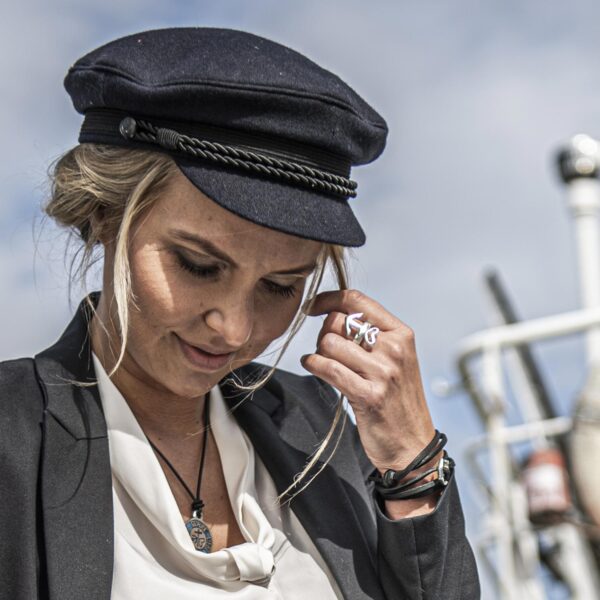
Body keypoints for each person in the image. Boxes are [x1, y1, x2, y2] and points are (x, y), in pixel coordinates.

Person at [0, 27, 480, 600]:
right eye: (198, 265)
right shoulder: (12, 434)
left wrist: (411, 463)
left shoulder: (318, 426)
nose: (234, 327)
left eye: (280, 287)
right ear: (106, 216)